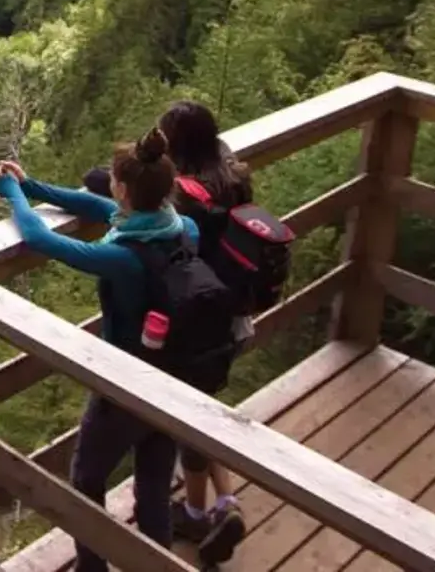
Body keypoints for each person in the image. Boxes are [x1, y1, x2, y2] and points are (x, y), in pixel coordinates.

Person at [0, 129, 221, 572]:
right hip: (172, 379)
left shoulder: (122, 258)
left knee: (86, 478)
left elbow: (44, 241)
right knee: (154, 487)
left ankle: (92, 567)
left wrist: (11, 194)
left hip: (124, 388)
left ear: (122, 187)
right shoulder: (181, 228)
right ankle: (156, 562)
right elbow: (101, 209)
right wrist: (31, 184)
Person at [154, 99, 255, 562]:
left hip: (200, 320)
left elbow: (135, 195)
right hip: (235, 313)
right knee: (207, 406)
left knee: (190, 421)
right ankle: (227, 501)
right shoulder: (231, 169)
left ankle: (195, 514)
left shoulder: (183, 195)